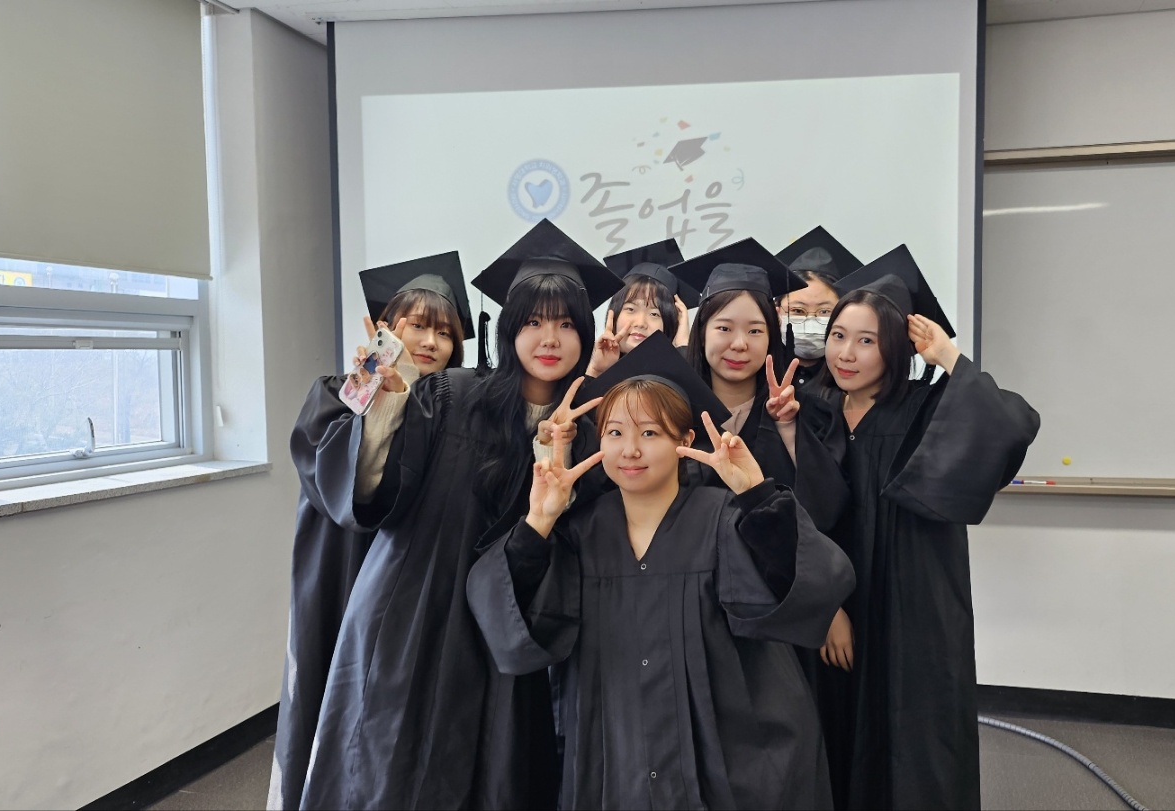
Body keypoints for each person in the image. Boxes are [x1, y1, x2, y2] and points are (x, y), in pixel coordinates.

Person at [293, 219, 621, 809]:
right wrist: (386, 398)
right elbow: (374, 493)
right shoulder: (449, 396)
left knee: (491, 773)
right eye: (533, 322)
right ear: (508, 330)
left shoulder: (592, 433)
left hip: (509, 625)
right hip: (412, 608)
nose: (549, 338)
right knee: (388, 767)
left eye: (567, 324)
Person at [467, 332, 856, 809]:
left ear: (685, 440)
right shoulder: (578, 533)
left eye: (650, 433)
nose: (630, 450)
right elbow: (504, 619)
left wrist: (756, 495)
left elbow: (813, 586)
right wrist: (538, 522)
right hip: (614, 758)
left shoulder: (726, 520)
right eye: (615, 433)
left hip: (727, 760)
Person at [806, 244, 1040, 810]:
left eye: (867, 340)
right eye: (838, 336)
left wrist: (949, 356)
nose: (846, 353)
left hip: (915, 607)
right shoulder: (812, 410)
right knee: (834, 724)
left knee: (916, 735)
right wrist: (825, 607)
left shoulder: (925, 407)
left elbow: (1012, 425)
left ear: (896, 346)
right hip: (839, 601)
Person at [270, 252, 470, 810]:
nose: (430, 341)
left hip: (408, 577)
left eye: (445, 333)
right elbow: (332, 487)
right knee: (328, 685)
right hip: (342, 564)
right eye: (417, 325)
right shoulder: (340, 391)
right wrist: (379, 395)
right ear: (386, 326)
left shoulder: (453, 412)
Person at [668, 238, 847, 531]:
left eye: (754, 331)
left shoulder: (811, 415)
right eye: (724, 328)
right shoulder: (671, 410)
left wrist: (788, 428)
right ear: (701, 332)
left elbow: (826, 511)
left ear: (771, 337)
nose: (739, 344)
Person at [585, 239, 698, 377]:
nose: (640, 323)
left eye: (654, 314)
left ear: (670, 324)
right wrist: (595, 372)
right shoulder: (585, 369)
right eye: (631, 309)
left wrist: (682, 346)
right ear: (614, 314)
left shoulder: (671, 381)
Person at [775, 226, 863, 390]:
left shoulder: (854, 380)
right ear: (777, 312)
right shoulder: (756, 372)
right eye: (798, 311)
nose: (810, 323)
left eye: (824, 311)